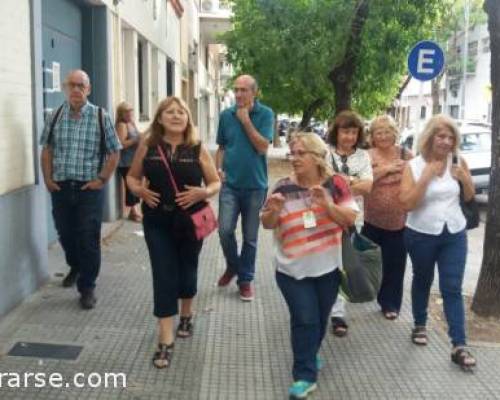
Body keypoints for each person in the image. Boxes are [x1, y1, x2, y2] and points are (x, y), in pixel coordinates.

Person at [127, 97, 220, 369]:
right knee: (164, 274)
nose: (176, 116)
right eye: (170, 112)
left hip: (190, 221)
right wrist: (140, 191)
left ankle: (187, 313)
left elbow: (215, 182)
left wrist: (204, 192)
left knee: (188, 269)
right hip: (157, 220)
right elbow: (132, 177)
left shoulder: (197, 148)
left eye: (181, 112)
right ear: (160, 118)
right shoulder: (149, 145)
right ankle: (165, 339)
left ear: (188, 118)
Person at [261, 133, 357, 399]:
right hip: (291, 269)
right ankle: (304, 375)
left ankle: (308, 355)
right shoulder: (281, 186)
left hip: (328, 268)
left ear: (317, 157)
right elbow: (267, 223)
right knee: (304, 319)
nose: (294, 158)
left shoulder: (335, 183)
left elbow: (349, 218)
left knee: (320, 318)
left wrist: (327, 204)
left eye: (301, 153)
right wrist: (274, 210)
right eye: (292, 153)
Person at [400, 114, 476, 370]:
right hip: (420, 233)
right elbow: (407, 203)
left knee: (452, 287)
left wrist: (465, 180)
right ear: (430, 137)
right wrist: (427, 177)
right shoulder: (415, 166)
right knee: (422, 279)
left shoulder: (458, 161)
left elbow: (469, 196)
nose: (446, 141)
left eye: (450, 137)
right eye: (441, 136)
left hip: (454, 232)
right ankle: (420, 324)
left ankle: (459, 344)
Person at [40, 70, 121, 310]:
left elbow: (114, 151)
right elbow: (47, 150)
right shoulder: (54, 116)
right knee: (65, 233)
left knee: (87, 236)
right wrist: (47, 179)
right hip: (61, 187)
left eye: (81, 85)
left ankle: (87, 287)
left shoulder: (99, 116)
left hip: (89, 188)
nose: (76, 90)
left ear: (88, 89)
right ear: (66, 87)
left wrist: (102, 179)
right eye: (72, 85)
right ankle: (75, 264)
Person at [215, 74, 274, 301]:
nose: (238, 94)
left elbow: (262, 147)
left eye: (243, 90)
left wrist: (246, 121)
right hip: (230, 185)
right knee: (224, 230)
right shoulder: (225, 115)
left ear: (254, 92)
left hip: (255, 187)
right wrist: (218, 169)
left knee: (250, 237)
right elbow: (221, 147)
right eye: (236, 89)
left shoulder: (266, 114)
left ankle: (245, 279)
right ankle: (233, 266)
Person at [326, 110, 373, 336]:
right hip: (326, 216)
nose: (349, 137)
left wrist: (344, 183)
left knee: (344, 264)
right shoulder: (325, 154)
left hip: (354, 219)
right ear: (337, 132)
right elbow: (322, 183)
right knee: (328, 263)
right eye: (345, 131)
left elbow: (368, 187)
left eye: (354, 132)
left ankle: (338, 313)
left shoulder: (363, 156)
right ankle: (325, 304)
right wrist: (353, 183)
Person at [363, 115, 412, 320]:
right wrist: (387, 169)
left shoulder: (405, 153)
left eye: (387, 131)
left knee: (395, 265)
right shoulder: (366, 155)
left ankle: (389, 303)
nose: (383, 136)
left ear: (394, 133)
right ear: (372, 136)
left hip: (399, 222)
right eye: (378, 132)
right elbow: (363, 181)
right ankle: (363, 293)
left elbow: (416, 177)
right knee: (369, 262)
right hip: (372, 219)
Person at [115, 101, 142, 222]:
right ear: (121, 113)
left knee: (135, 185)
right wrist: (136, 140)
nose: (130, 113)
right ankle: (133, 212)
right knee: (130, 187)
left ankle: (135, 210)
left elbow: (138, 136)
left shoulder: (132, 123)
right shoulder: (121, 125)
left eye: (131, 110)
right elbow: (120, 144)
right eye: (127, 111)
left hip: (134, 160)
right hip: (125, 162)